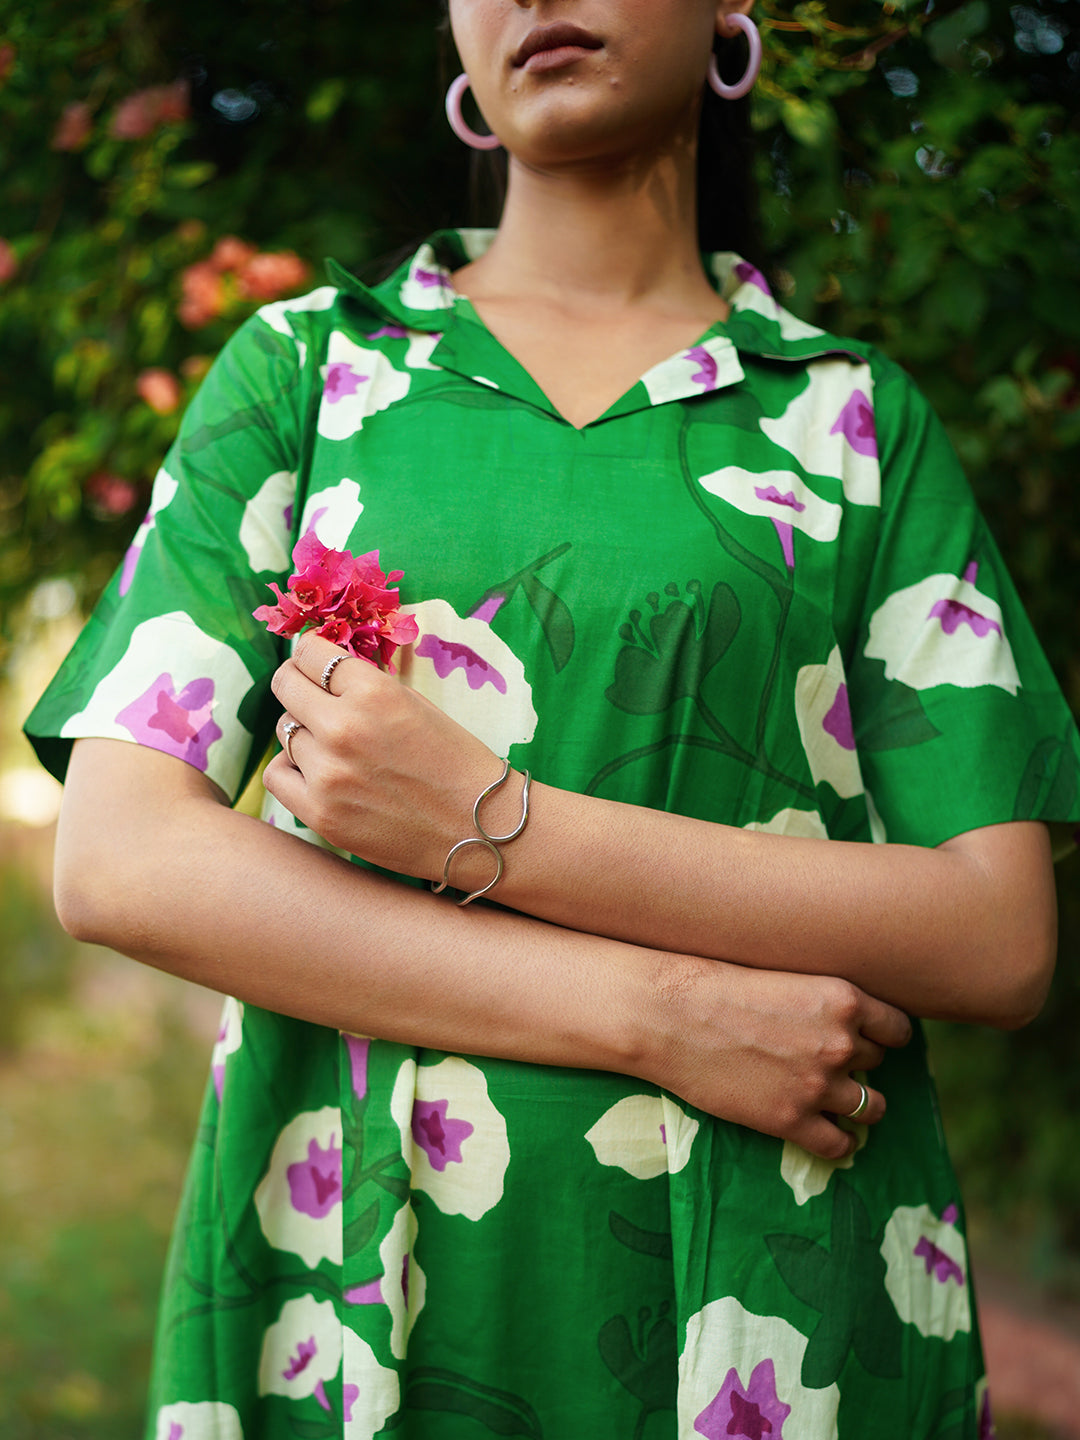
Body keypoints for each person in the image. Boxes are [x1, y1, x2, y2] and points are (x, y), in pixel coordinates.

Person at [25, 2, 1080, 1436]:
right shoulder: (309, 376)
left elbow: (995, 929)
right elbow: (123, 861)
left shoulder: (850, 419)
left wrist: (484, 822)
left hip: (766, 1289)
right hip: (351, 1279)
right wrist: (663, 1015)